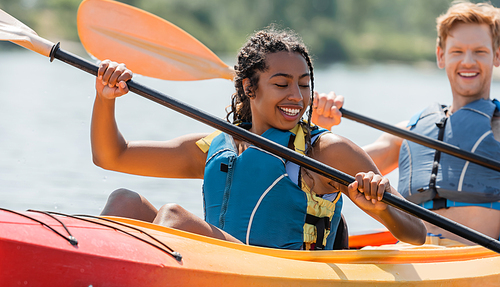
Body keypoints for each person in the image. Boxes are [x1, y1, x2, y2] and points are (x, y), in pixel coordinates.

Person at [91, 27, 425, 250]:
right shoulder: (214, 147)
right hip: (223, 267)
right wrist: (106, 98)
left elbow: (417, 231)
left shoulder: (325, 151)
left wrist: (382, 210)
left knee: (174, 218)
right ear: (250, 88)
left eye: (304, 84)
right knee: (125, 202)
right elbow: (112, 156)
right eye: (282, 84)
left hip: (283, 278)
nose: (297, 95)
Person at [363, 1, 500, 242]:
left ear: (496, 55)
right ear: (441, 56)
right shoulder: (407, 132)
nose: (468, 61)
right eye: (457, 51)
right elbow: (338, 171)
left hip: (477, 264)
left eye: (479, 51)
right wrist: (324, 130)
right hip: (411, 261)